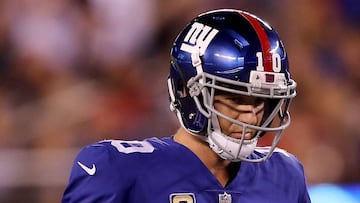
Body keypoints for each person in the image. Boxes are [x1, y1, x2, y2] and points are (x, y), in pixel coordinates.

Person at [62, 9, 311, 203]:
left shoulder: (285, 173)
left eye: (261, 101)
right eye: (236, 99)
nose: (251, 116)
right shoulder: (117, 167)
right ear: (186, 90)